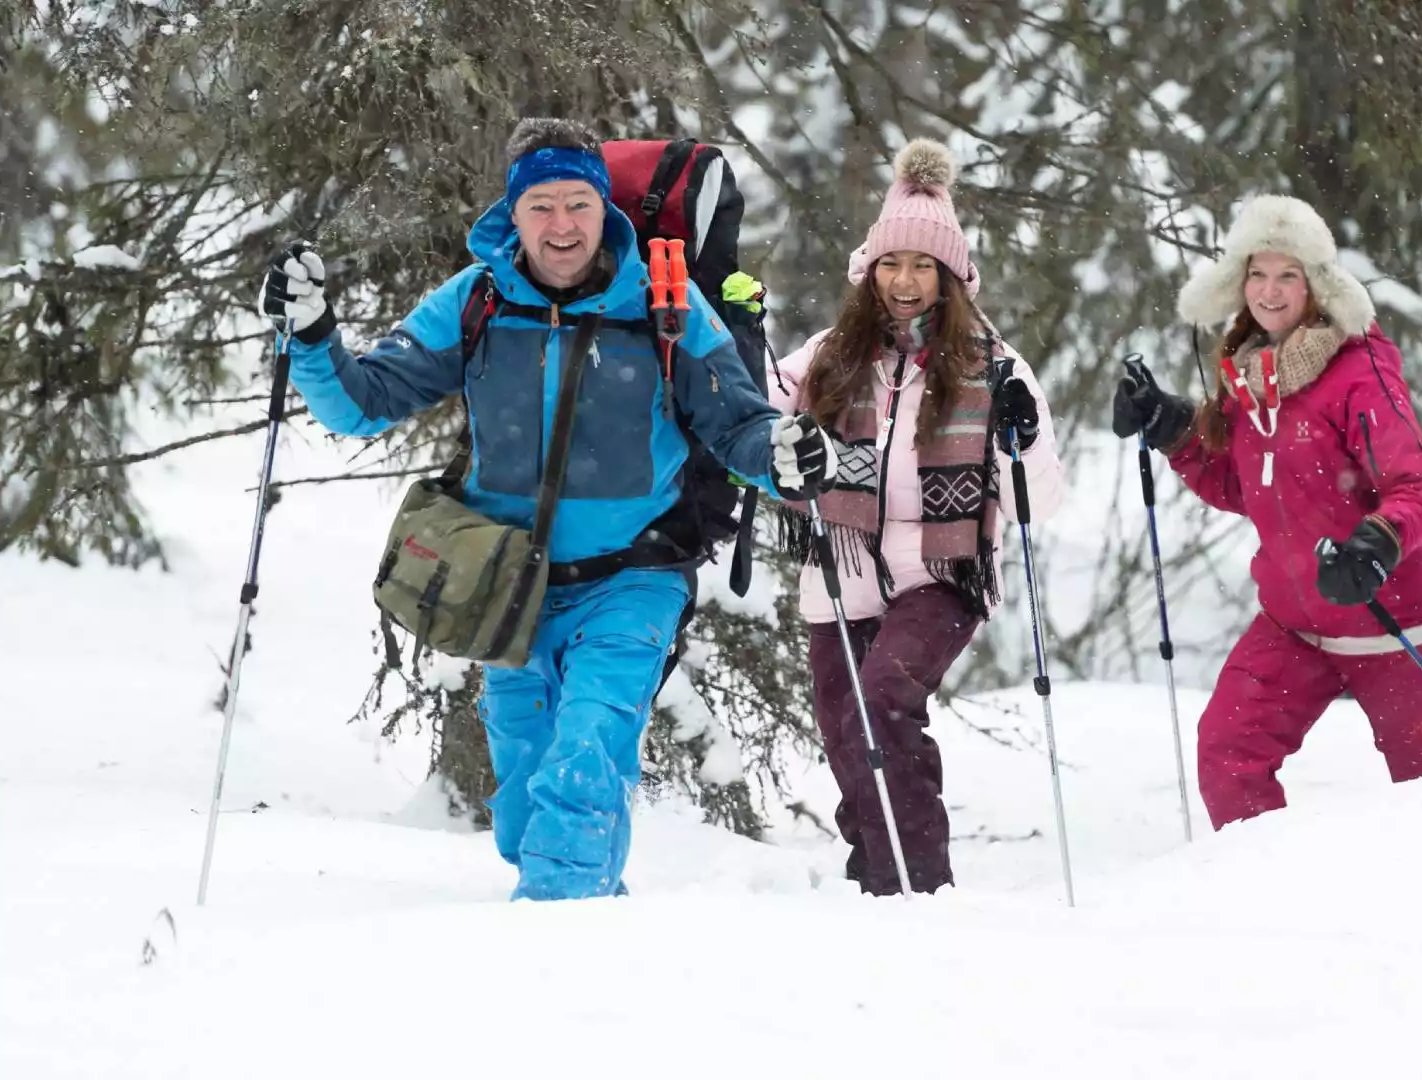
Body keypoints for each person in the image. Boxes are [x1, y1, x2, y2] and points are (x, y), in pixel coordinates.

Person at [256, 117, 833, 901]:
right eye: (540, 207)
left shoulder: (665, 300)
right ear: (513, 213)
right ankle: (582, 932)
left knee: (587, 758)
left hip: (636, 574)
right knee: (527, 811)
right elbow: (365, 402)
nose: (561, 227)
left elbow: (736, 424)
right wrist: (315, 334)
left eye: (577, 205)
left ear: (605, 210)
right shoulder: (477, 302)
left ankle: (557, 944)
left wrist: (786, 460)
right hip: (511, 587)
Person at [1111, 193, 1422, 830]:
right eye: (1257, 273)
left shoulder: (1360, 371)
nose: (1269, 291)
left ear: (1316, 285)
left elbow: (1416, 485)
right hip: (1294, 626)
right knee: (1228, 752)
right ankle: (1268, 894)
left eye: (1288, 275)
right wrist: (1173, 429)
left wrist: (1376, 545)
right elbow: (1239, 486)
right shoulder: (1248, 377)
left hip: (1395, 627)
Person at [768, 138, 1065, 895]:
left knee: (885, 703)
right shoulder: (831, 355)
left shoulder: (994, 366)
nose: (904, 281)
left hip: (942, 570)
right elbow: (760, 425)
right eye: (891, 265)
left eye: (922, 266)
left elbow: (1042, 497)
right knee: (844, 732)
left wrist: (1021, 437)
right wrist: (738, 347)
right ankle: (874, 871)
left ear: (950, 277)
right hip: (841, 563)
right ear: (869, 274)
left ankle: (918, 884)